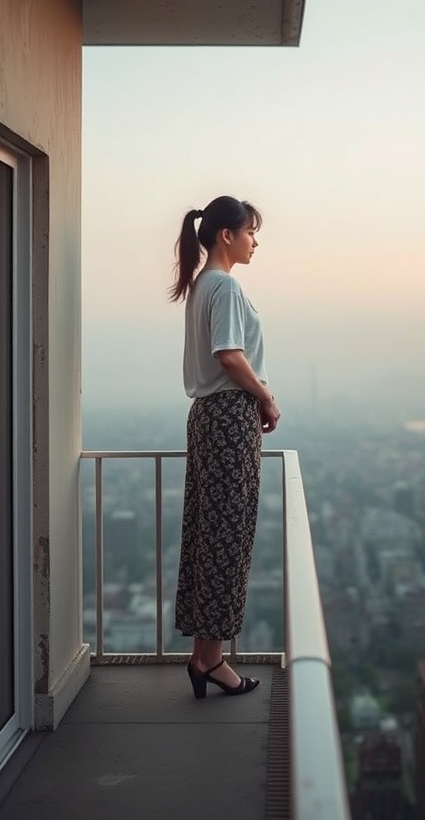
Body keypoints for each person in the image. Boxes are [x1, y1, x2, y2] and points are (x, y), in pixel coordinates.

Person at [169, 195, 280, 699]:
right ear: (227, 235)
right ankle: (212, 661)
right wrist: (266, 398)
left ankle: (202, 655)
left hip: (207, 420)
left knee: (209, 532)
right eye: (251, 232)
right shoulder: (226, 287)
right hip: (229, 420)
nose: (256, 242)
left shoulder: (202, 286)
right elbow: (229, 356)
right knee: (227, 537)